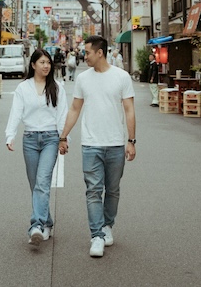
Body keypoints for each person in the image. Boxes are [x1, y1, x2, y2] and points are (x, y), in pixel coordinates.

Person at [59, 35, 136, 258]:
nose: (85, 56)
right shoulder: (83, 79)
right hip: (91, 144)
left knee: (112, 189)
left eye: (88, 52)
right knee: (93, 190)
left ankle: (107, 225)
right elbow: (75, 109)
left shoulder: (121, 77)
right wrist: (63, 136)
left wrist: (131, 141)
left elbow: (129, 110)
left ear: (100, 53)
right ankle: (97, 235)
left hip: (115, 143)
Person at [5, 49, 68, 246]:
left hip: (51, 138)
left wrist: (64, 138)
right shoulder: (23, 88)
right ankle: (47, 222)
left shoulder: (57, 87)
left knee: (42, 182)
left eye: (48, 62)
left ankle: (36, 225)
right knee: (35, 185)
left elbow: (62, 114)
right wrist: (10, 135)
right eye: (42, 62)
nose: (46, 66)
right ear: (33, 65)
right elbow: (16, 112)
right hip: (30, 139)